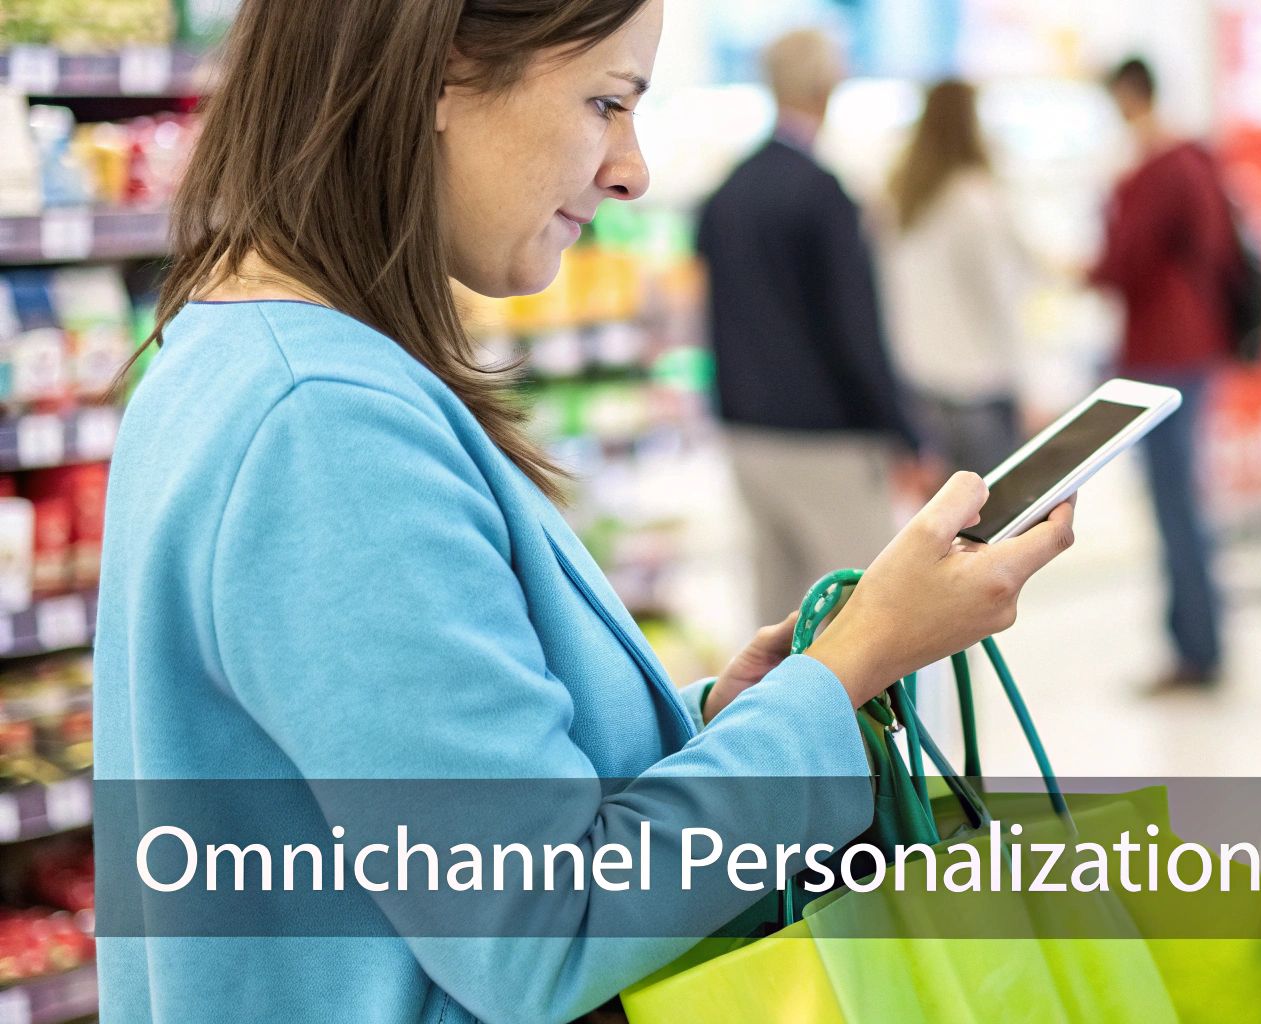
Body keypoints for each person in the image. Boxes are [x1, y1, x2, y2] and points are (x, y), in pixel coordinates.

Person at [93, 2, 1076, 1020]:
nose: (631, 169)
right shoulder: (323, 426)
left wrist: (708, 725)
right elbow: (538, 928)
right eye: (605, 102)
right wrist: (849, 670)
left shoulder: (244, 355)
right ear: (440, 69)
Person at [696, 28, 924, 625]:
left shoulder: (727, 192)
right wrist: (905, 432)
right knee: (868, 619)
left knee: (776, 621)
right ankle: (860, 727)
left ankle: (772, 720)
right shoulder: (824, 195)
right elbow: (855, 330)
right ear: (826, 87)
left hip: (747, 432)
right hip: (828, 441)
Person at [1090, 57, 1245, 692]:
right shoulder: (1197, 159)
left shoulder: (1153, 169)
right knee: (1186, 501)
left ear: (1129, 95)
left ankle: (1195, 651)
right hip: (1195, 347)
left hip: (1159, 353)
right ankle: (1200, 642)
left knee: (1175, 504)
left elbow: (1122, 261)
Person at [880, 78, 1030, 477]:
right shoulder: (973, 197)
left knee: (945, 526)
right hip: (979, 383)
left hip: (920, 378)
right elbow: (997, 296)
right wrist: (1030, 379)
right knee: (994, 524)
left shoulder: (899, 199)